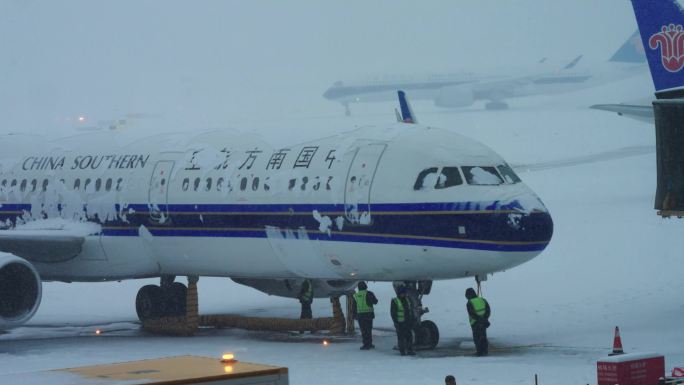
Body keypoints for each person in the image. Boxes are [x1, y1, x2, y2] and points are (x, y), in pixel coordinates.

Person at [351, 281, 378, 349]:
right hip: (369, 315)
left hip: (360, 316)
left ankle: (366, 344)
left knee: (364, 331)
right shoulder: (369, 293)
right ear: (366, 286)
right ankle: (369, 344)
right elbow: (375, 302)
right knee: (369, 330)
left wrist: (354, 315)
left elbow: (354, 307)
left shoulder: (356, 296)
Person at [465, 287, 490, 356]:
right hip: (484, 322)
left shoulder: (469, 303)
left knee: (477, 338)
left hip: (475, 323)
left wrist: (479, 320)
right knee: (483, 337)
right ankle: (485, 351)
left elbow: (471, 313)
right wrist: (484, 319)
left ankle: (479, 352)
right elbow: (488, 310)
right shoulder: (482, 300)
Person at [391, 286, 415, 356]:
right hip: (400, 322)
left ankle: (410, 350)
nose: (404, 294)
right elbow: (393, 313)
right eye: (403, 293)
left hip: (407, 322)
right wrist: (396, 322)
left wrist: (412, 319)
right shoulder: (395, 301)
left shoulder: (407, 300)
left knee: (409, 337)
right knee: (401, 338)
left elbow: (410, 310)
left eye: (404, 293)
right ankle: (402, 351)